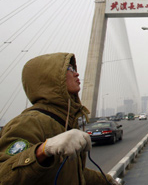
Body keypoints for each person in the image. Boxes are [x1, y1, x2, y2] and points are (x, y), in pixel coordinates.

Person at [0, 52, 118, 184]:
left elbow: (73, 173)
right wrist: (43, 150)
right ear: (50, 78)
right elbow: (4, 176)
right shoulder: (29, 122)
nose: (76, 74)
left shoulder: (66, 121)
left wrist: (107, 181)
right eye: (69, 69)